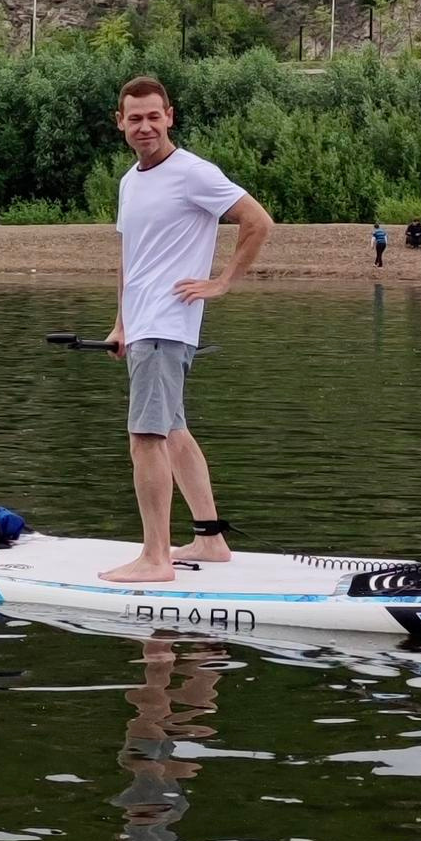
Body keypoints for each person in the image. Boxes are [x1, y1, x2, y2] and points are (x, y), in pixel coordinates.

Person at [102, 76, 273, 584]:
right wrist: (120, 323)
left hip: (168, 324)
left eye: (154, 116)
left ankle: (155, 558)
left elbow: (257, 221)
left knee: (146, 436)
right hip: (144, 324)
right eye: (135, 118)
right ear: (121, 123)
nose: (145, 126)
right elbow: (130, 260)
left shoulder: (193, 173)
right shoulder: (130, 181)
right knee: (173, 431)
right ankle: (210, 539)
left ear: (169, 116)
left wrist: (222, 283)